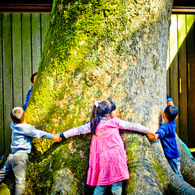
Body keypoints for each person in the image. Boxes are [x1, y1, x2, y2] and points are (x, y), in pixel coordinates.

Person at [59, 100, 154, 195]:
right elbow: (132, 126)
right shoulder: (115, 122)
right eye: (114, 110)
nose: (115, 112)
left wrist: (62, 135)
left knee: (101, 185)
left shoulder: (94, 125)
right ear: (108, 115)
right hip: (116, 157)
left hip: (102, 160)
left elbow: (78, 130)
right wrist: (147, 131)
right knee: (117, 184)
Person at [0, 107, 60, 195]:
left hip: (11, 156)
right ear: (26, 116)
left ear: (11, 120)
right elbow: (39, 133)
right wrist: (53, 137)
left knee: (2, 173)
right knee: (20, 181)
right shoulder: (25, 128)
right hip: (20, 157)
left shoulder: (13, 126)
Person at [148, 105, 184, 180]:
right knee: (177, 171)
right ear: (175, 118)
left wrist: (156, 136)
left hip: (171, 156)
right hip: (174, 155)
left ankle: (181, 182)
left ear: (163, 114)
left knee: (176, 174)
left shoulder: (165, 126)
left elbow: (162, 132)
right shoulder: (173, 124)